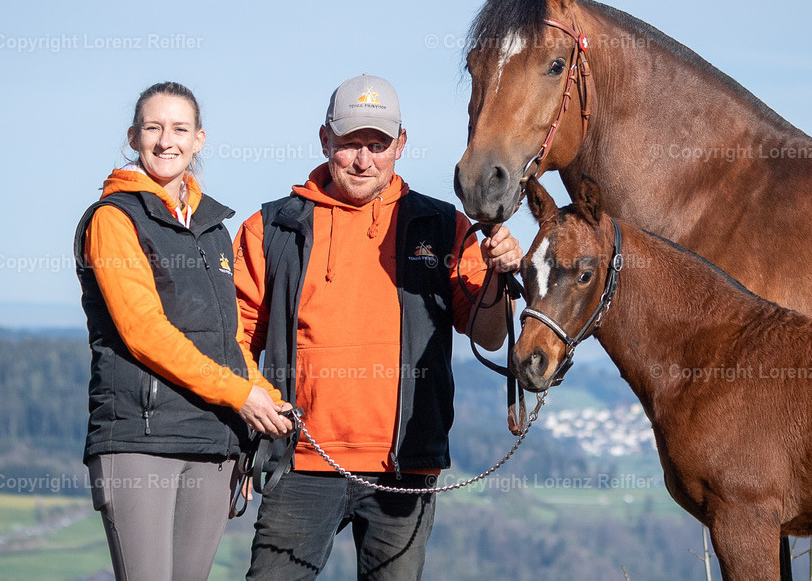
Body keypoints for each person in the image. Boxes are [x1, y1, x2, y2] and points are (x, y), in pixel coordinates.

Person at [234, 74, 523, 579]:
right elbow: (234, 341)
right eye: (350, 145)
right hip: (298, 461)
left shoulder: (442, 227)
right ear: (325, 140)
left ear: (401, 144)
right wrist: (248, 424)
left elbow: (490, 334)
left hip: (404, 470)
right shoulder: (272, 229)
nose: (363, 160)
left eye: (378, 144)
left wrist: (500, 275)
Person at [73, 81, 294, 580]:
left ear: (200, 140)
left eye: (179, 128)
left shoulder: (215, 231)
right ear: (133, 137)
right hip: (139, 439)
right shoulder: (114, 218)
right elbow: (142, 330)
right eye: (153, 128)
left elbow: (230, 338)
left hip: (214, 443)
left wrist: (263, 401)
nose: (165, 140)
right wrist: (241, 396)